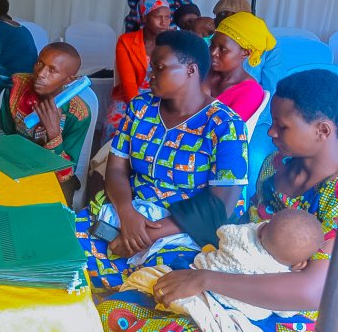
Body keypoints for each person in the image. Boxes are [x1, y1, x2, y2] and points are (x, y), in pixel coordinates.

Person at [97, 69, 337, 332]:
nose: (271, 132)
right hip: (233, 273)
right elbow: (246, 233)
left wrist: (205, 280)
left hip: (290, 313)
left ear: (322, 130)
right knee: (116, 313)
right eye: (272, 122)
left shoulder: (333, 196)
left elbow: (312, 291)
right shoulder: (274, 166)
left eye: (282, 126)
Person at [76, 30, 249, 291]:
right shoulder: (141, 107)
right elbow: (116, 169)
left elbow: (220, 204)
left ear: (191, 70)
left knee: (156, 286)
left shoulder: (225, 125)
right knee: (64, 249)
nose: (150, 75)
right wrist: (127, 214)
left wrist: (146, 234)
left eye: (159, 67)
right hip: (130, 213)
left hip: (183, 230)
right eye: (151, 67)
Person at [0, 43, 90, 206]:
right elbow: (0, 133)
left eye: (52, 70)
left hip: (53, 176)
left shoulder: (78, 114)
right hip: (12, 164)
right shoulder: (17, 87)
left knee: (50, 210)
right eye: (39, 63)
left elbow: (66, 172)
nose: (40, 74)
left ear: (70, 79)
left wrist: (54, 134)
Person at [103, 0, 171, 143]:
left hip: (163, 98)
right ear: (145, 17)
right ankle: (108, 157)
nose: (164, 22)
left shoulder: (173, 43)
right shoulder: (126, 41)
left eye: (167, 17)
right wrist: (139, 112)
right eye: (158, 17)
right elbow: (128, 83)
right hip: (129, 97)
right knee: (116, 127)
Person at [204, 12, 274, 121]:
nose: (213, 52)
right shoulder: (204, 71)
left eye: (223, 49)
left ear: (245, 53)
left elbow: (227, 128)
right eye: (212, 45)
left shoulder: (250, 92)